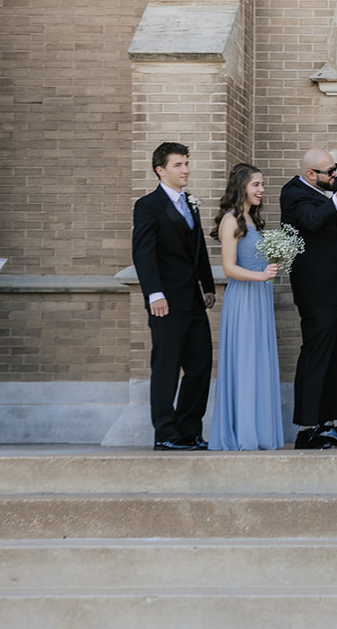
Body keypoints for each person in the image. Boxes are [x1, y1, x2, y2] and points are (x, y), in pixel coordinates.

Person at [280, 147, 337, 450]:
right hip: (315, 290)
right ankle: (308, 428)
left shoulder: (322, 183)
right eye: (329, 171)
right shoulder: (293, 194)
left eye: (335, 169)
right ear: (310, 174)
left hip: (333, 289)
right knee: (316, 356)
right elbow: (314, 220)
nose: (335, 175)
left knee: (334, 356)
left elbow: (335, 183)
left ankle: (328, 424)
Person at [131, 141, 216, 451]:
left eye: (186, 163)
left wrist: (207, 284)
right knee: (167, 366)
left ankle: (189, 429)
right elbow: (143, 253)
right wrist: (155, 294)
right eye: (178, 165)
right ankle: (165, 433)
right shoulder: (148, 205)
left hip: (192, 299)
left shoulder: (190, 203)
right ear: (160, 170)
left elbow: (198, 250)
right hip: (165, 301)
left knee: (201, 364)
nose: (186, 170)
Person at [210, 163, 283, 452]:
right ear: (241, 186)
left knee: (259, 362)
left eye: (262, 184)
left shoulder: (252, 220)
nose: (261, 190)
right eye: (256, 184)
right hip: (243, 298)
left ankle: (259, 430)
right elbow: (228, 268)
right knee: (245, 363)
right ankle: (243, 433)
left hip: (260, 298)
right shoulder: (230, 220)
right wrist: (261, 275)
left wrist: (272, 266)